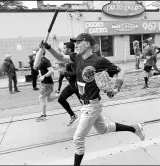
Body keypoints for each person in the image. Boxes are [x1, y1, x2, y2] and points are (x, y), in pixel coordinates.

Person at [40, 33, 145, 166]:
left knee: (78, 139)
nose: (76, 45)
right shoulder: (77, 57)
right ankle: (135, 128)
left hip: (92, 106)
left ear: (87, 43)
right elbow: (61, 57)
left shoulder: (98, 61)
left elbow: (120, 71)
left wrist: (116, 88)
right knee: (103, 129)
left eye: (78, 42)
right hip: (85, 104)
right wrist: (48, 47)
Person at [58, 41, 80, 126]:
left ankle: (96, 117)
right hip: (71, 86)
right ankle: (73, 116)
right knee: (61, 99)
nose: (63, 50)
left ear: (69, 49)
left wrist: (65, 73)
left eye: (64, 48)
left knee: (86, 106)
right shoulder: (68, 58)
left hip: (77, 86)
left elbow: (76, 74)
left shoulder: (74, 59)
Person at [34, 50, 59, 121]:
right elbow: (41, 70)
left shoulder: (45, 61)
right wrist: (40, 75)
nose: (36, 55)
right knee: (49, 99)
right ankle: (60, 94)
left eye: (37, 54)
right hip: (45, 83)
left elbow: (51, 71)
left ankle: (44, 116)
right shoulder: (40, 61)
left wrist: (44, 76)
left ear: (41, 54)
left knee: (41, 98)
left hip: (47, 83)